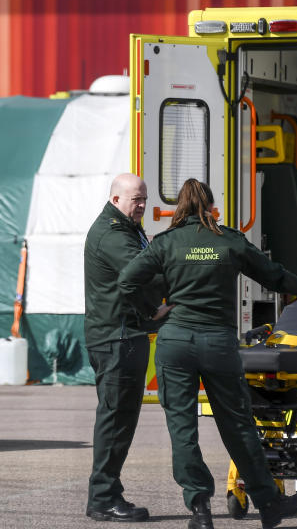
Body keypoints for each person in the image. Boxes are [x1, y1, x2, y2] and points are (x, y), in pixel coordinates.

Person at [118, 178, 297, 529]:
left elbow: (126, 280)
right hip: (218, 344)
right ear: (211, 207)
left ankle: (200, 510)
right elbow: (272, 275)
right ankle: (269, 503)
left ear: (178, 208)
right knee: (238, 425)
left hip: (176, 344)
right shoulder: (228, 240)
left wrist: (152, 310)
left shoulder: (165, 244)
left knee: (183, 430)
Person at [84, 173, 172, 522]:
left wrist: (153, 310)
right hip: (117, 338)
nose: (142, 206)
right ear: (116, 199)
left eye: (145, 199)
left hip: (123, 334)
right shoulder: (113, 234)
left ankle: (107, 493)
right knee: (116, 419)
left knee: (119, 418)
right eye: (136, 199)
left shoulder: (124, 228)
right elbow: (143, 273)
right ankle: (103, 497)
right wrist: (188, 270)